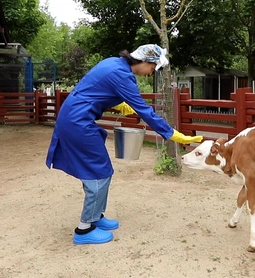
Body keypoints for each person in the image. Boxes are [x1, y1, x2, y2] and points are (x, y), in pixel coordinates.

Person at [45, 44, 203, 245]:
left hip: (76, 118)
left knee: (104, 170)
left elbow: (93, 90)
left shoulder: (113, 64)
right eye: (153, 69)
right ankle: (84, 229)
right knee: (98, 172)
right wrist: (172, 134)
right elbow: (145, 111)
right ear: (146, 62)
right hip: (78, 123)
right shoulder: (123, 75)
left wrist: (117, 103)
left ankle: (96, 217)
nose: (151, 73)